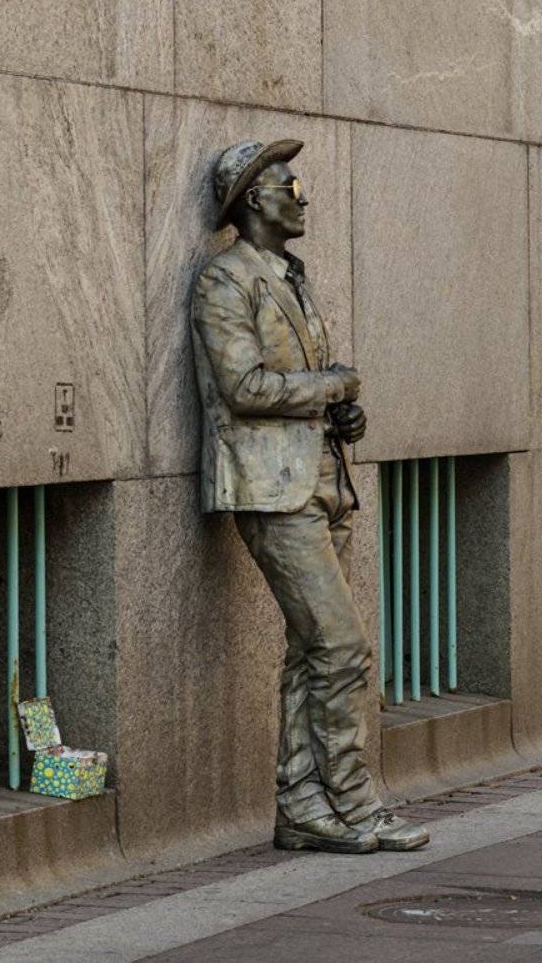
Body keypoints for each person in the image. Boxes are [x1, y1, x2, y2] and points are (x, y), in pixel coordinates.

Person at [189, 138, 429, 854]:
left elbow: (302, 387)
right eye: (290, 188)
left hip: (326, 481)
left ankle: (302, 804)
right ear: (254, 201)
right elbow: (243, 387)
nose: (303, 198)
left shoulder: (291, 276)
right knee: (342, 647)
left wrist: (342, 414)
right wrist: (333, 386)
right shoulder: (225, 279)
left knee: (311, 651)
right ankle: (355, 803)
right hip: (273, 491)